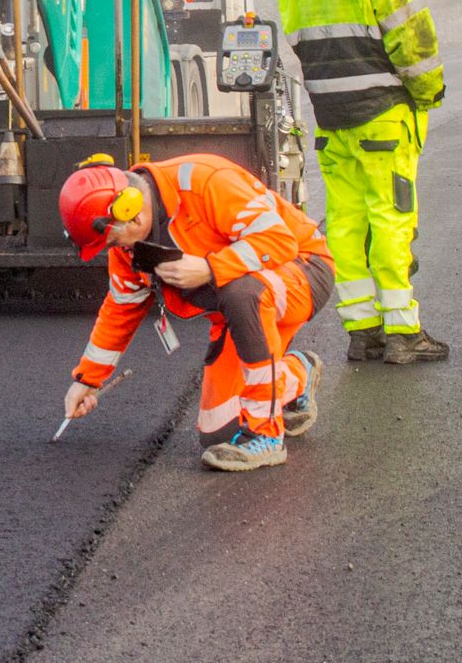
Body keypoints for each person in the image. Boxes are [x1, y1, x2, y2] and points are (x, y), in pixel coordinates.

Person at [58, 152, 333, 472]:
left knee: (241, 292)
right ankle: (298, 373)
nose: (112, 249)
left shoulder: (207, 183)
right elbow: (121, 308)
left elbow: (279, 241)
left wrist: (208, 268)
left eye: (111, 240)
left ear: (132, 214)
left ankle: (267, 435)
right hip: (237, 310)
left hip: (303, 268)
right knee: (219, 432)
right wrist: (87, 380)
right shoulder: (127, 247)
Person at [277, 0, 447, 364]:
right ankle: (402, 332)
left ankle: (362, 329)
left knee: (346, 223)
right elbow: (413, 39)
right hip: (382, 115)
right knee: (391, 219)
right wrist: (429, 91)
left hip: (331, 117)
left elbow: (297, 38)